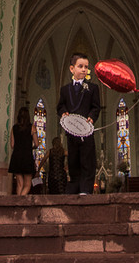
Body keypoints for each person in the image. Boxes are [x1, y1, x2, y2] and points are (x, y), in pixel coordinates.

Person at [57, 52, 102, 194]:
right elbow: (60, 106)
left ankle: (85, 190)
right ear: (72, 69)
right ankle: (74, 188)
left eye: (86, 67)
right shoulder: (65, 90)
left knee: (87, 161)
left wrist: (91, 117)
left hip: (86, 131)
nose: (84, 69)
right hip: (72, 132)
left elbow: (96, 107)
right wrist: (64, 113)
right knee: (73, 161)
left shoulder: (93, 88)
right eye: (80, 66)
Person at [8, 106, 36, 195]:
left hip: (16, 157)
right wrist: (31, 147)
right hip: (27, 157)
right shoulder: (32, 127)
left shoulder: (14, 128)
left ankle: (18, 201)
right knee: (27, 184)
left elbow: (12, 145)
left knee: (19, 184)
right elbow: (37, 143)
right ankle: (20, 201)